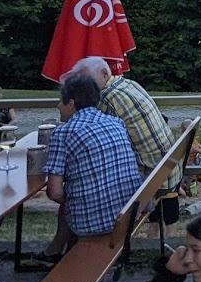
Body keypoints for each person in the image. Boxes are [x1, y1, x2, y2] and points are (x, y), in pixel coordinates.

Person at [71, 56, 182, 225]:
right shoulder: (128, 84)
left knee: (81, 188)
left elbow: (92, 139)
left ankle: (89, 239)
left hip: (151, 177)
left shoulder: (106, 98)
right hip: (167, 168)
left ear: (103, 73)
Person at [44, 72, 142, 245]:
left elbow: (54, 192)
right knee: (78, 193)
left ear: (72, 103)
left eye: (61, 101)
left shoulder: (63, 133)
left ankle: (56, 254)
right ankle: (54, 251)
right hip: (128, 214)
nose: (58, 106)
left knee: (70, 199)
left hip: (92, 225)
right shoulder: (115, 122)